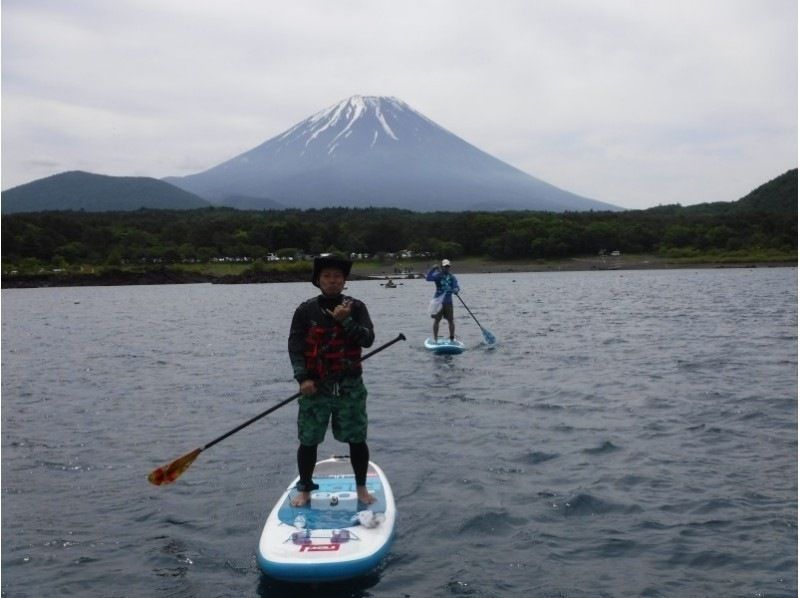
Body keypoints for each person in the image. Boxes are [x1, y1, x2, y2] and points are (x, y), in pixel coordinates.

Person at [287, 256, 376, 507]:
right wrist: (302, 378)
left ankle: (361, 488)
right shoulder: (305, 311)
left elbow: (368, 340)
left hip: (350, 387)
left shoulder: (357, 307)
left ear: (344, 281)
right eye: (327, 276)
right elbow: (295, 347)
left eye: (337, 276)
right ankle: (305, 488)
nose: (332, 280)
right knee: (308, 439)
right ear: (318, 280)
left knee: (357, 438)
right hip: (316, 387)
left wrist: (345, 320)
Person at [426, 258, 460, 341]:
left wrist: (456, 290)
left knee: (451, 320)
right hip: (438, 302)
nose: (447, 268)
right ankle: (435, 339)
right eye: (445, 266)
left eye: (448, 266)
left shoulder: (452, 277)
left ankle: (452, 338)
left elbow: (456, 286)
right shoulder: (438, 276)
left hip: (448, 302)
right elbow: (428, 278)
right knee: (437, 320)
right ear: (442, 267)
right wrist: (433, 269)